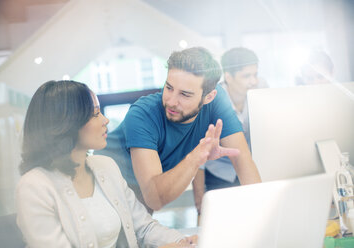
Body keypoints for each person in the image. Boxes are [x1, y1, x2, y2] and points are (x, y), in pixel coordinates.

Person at [15, 80, 197, 248]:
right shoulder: (34, 187)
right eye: (95, 114)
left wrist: (185, 242)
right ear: (67, 124)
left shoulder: (105, 166)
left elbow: (144, 228)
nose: (105, 120)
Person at [96, 47, 261, 214]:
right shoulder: (142, 114)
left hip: (146, 186)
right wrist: (197, 157)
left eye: (185, 94)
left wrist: (263, 211)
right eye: (168, 88)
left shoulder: (217, 102)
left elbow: (243, 160)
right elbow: (155, 199)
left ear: (208, 97)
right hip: (104, 182)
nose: (171, 101)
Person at [193, 47, 267, 216]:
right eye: (246, 76)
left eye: (255, 74)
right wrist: (199, 201)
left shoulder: (262, 88)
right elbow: (199, 155)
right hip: (219, 173)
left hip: (250, 165)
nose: (253, 81)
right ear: (228, 77)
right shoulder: (212, 100)